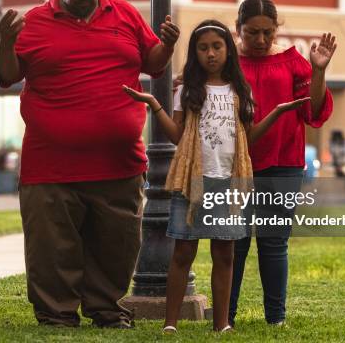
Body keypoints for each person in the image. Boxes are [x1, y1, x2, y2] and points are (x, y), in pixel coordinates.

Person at [0, 0, 179, 328]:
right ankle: (56, 313)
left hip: (118, 162)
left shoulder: (124, 13)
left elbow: (153, 63)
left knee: (117, 243)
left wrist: (169, 44)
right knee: (51, 246)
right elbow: (7, 75)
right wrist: (7, 43)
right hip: (51, 164)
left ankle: (106, 309)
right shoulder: (35, 22)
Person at [124, 19, 308, 333]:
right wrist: (155, 105)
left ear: (228, 51)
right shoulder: (187, 90)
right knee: (183, 252)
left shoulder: (240, 89)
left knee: (225, 253)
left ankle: (222, 324)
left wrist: (276, 112)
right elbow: (178, 136)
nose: (211, 54)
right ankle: (170, 324)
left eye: (217, 47)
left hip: (229, 183)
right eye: (203, 48)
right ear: (195, 53)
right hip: (192, 183)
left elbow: (247, 138)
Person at [228, 0, 336, 326]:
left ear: (277, 30)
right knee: (234, 242)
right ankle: (224, 317)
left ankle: (276, 318)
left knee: (274, 241)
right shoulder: (227, 62)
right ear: (238, 29)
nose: (260, 40)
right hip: (236, 165)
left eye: (267, 33)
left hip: (283, 162)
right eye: (252, 33)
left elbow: (313, 111)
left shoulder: (292, 62)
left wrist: (318, 72)